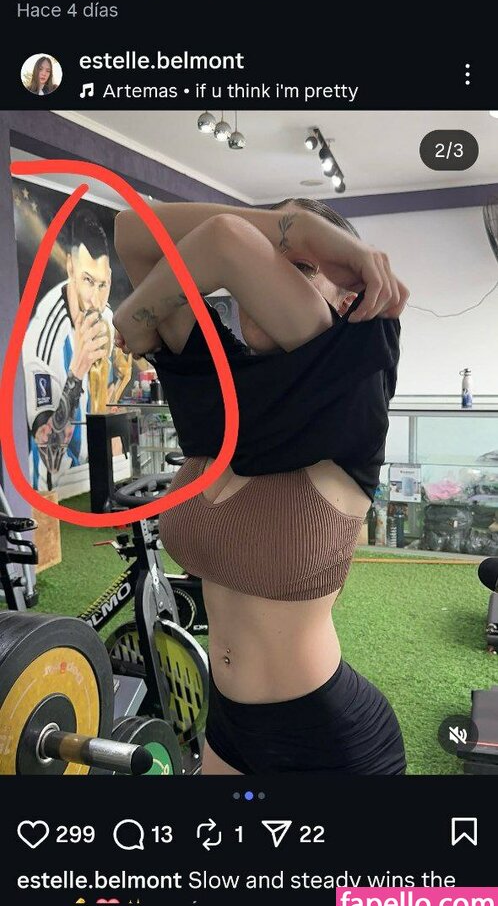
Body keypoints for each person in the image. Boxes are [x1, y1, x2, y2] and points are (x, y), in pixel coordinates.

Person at [113, 196, 409, 775]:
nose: (263, 279)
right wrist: (297, 232)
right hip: (226, 723)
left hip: (328, 742)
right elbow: (131, 230)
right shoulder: (211, 381)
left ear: (345, 297)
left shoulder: (349, 386)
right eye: (273, 257)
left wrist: (298, 229)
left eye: (300, 266)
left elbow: (225, 240)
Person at [23, 208, 132, 492]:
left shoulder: (105, 317)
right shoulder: (42, 340)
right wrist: (77, 372)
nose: (96, 299)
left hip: (97, 473)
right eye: (87, 281)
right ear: (70, 267)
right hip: (55, 490)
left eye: (103, 284)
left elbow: (106, 397)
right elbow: (49, 455)